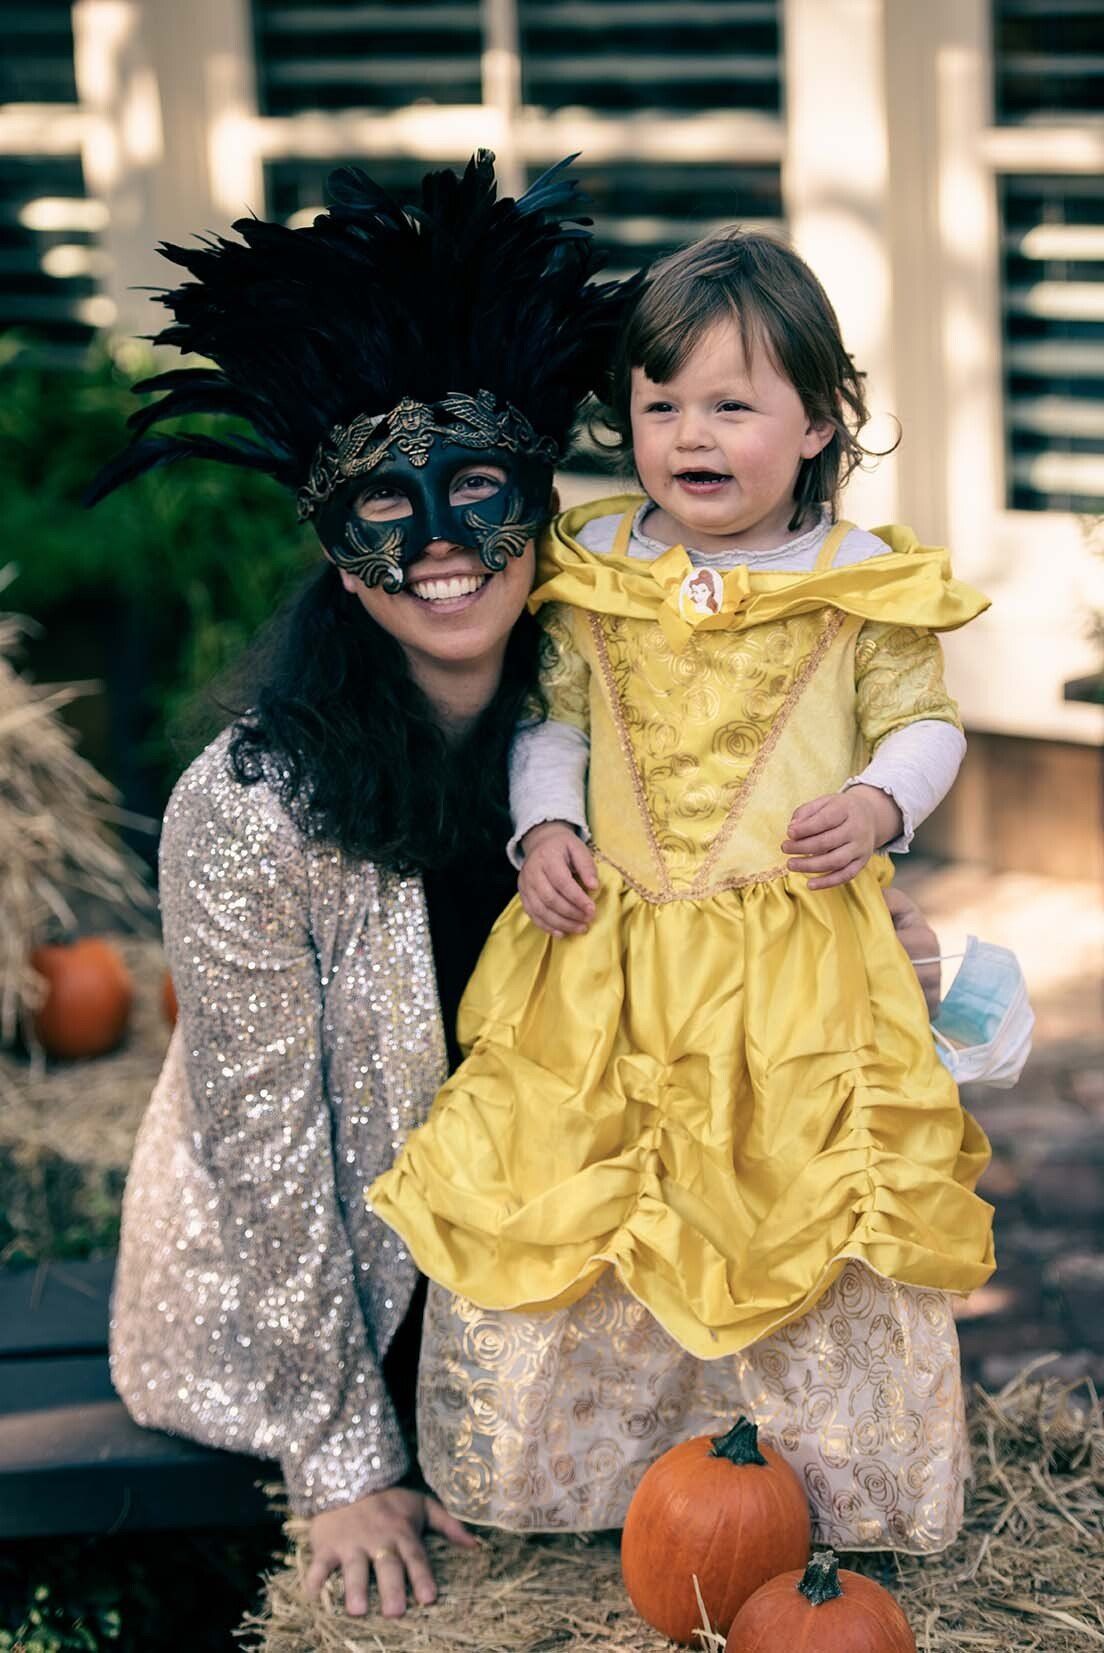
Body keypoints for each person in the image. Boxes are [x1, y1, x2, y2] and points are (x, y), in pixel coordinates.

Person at [369, 229, 999, 1554]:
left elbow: (927, 722)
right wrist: (544, 826)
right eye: (661, 406)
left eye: (731, 404)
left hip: (792, 966)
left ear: (820, 422)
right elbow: (557, 725)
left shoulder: (857, 582)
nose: (689, 434)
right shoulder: (600, 569)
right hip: (614, 953)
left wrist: (883, 799)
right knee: (601, 1187)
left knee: (787, 1189)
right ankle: (599, 1476)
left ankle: (814, 1481)